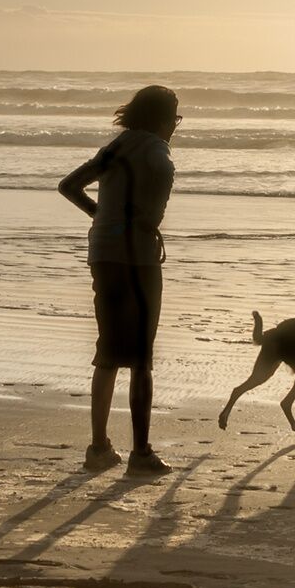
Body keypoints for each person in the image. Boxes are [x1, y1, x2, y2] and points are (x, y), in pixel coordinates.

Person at [59, 83, 179, 476]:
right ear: (164, 119)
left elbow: (68, 186)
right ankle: (140, 453)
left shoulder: (116, 147)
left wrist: (101, 215)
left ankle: (98, 448)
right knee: (142, 358)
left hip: (104, 256)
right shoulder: (157, 150)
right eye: (175, 119)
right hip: (138, 260)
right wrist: (143, 221)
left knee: (108, 353)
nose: (175, 127)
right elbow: (158, 195)